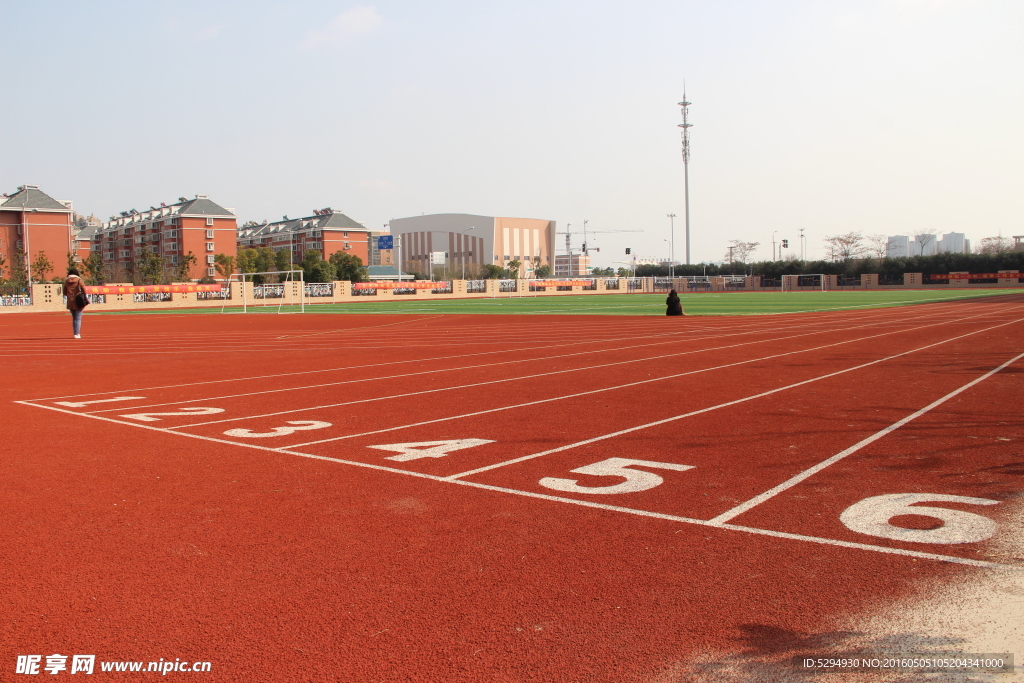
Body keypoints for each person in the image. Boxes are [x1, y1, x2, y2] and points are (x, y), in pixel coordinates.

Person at [63, 268, 87, 338]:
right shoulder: (79, 280)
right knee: (78, 318)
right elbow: (83, 288)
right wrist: (84, 296)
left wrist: (69, 294)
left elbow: (64, 292)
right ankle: (77, 333)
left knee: (74, 318)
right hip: (78, 300)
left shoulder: (66, 281)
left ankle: (75, 333)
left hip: (70, 301)